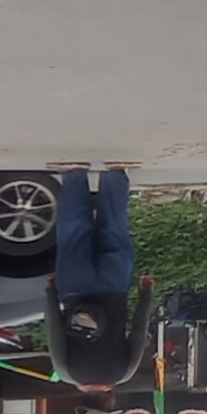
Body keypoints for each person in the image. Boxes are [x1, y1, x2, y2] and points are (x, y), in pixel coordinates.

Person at [50, 165, 144, 392]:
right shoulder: (66, 372)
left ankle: (115, 175)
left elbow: (139, 330)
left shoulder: (124, 373)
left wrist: (147, 293)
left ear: (108, 401)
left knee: (114, 229)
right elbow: (54, 329)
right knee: (74, 233)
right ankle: (74, 175)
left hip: (114, 289)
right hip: (74, 290)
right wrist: (50, 292)